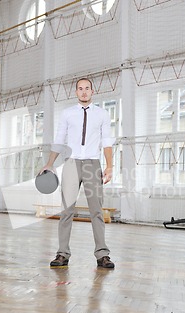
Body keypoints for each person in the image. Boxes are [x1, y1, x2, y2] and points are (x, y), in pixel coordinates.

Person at [40, 78, 115, 268]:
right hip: (71, 164)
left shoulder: (102, 114)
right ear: (76, 92)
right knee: (66, 211)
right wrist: (49, 163)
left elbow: (107, 141)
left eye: (87, 89)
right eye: (80, 89)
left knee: (96, 211)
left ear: (92, 91)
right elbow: (59, 139)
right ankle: (62, 254)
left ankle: (102, 255)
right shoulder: (67, 114)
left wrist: (109, 166)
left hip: (92, 164)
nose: (83, 92)